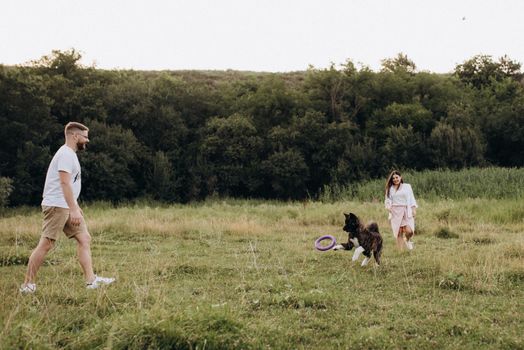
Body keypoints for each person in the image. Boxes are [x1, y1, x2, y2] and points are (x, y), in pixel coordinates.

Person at [20, 122, 115, 293]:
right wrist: (73, 208)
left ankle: (91, 281)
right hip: (57, 205)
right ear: (75, 136)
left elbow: (69, 184)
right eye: (85, 137)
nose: (88, 140)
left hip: (66, 205)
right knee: (46, 244)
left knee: (84, 239)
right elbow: (64, 183)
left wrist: (75, 206)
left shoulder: (70, 154)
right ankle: (28, 284)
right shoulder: (65, 154)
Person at [384, 170, 417, 250]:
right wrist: (389, 207)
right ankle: (400, 252)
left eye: (396, 177)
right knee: (399, 232)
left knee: (409, 231)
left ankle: (408, 240)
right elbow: (387, 200)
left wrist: (413, 208)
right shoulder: (390, 189)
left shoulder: (407, 186)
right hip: (395, 211)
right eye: (393, 178)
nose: (395, 179)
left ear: (400, 177)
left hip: (406, 210)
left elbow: (412, 198)